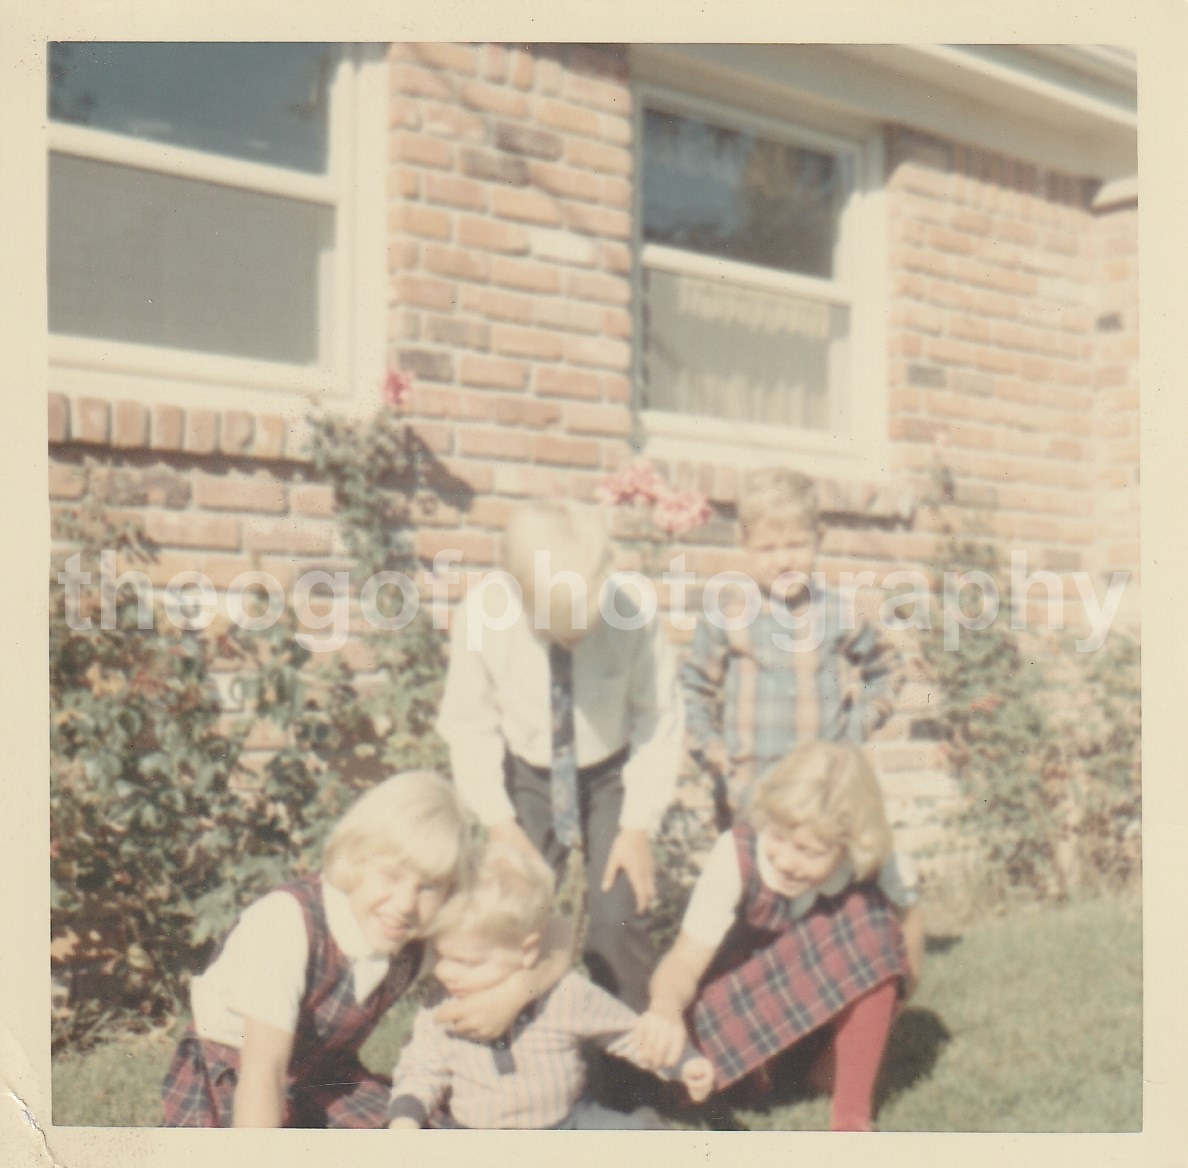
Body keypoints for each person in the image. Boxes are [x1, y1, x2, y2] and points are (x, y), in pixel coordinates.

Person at [161, 771, 569, 1128]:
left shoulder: (415, 928)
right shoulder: (287, 922)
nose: (406, 903)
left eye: (428, 886)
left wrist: (516, 993)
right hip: (236, 1079)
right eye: (390, 875)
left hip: (322, 1077)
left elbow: (559, 930)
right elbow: (263, 1073)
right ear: (355, 857)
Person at [436, 499, 684, 1012]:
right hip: (526, 772)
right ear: (518, 594)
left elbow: (659, 718)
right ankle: (493, 1048)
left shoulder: (632, 613)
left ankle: (626, 1077)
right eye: (558, 629)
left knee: (618, 913)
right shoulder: (484, 616)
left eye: (585, 627)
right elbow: (470, 725)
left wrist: (638, 826)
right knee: (510, 914)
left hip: (611, 773)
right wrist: (500, 825)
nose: (574, 639)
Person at [630, 742, 925, 1132]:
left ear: (849, 845)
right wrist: (665, 1007)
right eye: (779, 838)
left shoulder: (878, 862)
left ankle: (850, 1115)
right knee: (701, 1082)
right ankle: (759, 1074)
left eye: (809, 851)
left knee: (871, 922)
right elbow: (684, 960)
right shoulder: (736, 855)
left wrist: (892, 1004)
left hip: (817, 1006)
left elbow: (905, 953)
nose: (786, 861)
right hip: (745, 1002)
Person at [386, 844, 713, 1129]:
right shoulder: (440, 1006)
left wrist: (684, 1063)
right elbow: (422, 1068)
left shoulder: (563, 994)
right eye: (441, 956)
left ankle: (644, 1126)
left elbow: (628, 1033)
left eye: (467, 962)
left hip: (568, 1123)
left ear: (526, 951)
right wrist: (405, 1118)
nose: (445, 972)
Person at [683, 467, 903, 823]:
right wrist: (711, 747)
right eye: (768, 548)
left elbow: (886, 669)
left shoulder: (839, 613)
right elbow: (692, 688)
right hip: (748, 798)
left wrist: (853, 732)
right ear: (745, 542)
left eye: (796, 545)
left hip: (821, 799)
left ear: (819, 537)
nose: (783, 560)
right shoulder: (729, 615)